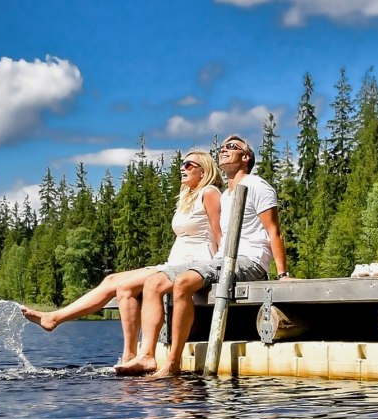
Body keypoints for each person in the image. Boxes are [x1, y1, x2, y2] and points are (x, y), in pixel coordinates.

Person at [21, 150, 223, 367]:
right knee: (113, 281)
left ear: (204, 171)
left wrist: (219, 268)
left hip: (196, 263)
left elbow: (220, 233)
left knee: (126, 286)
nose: (183, 168)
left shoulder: (210, 192)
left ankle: (140, 355)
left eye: (190, 165)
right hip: (174, 263)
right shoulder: (186, 197)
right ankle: (127, 354)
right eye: (182, 164)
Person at [119, 134, 292, 377]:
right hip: (221, 260)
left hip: (248, 261)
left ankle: (173, 362)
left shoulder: (256, 185)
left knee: (183, 282)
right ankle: (146, 356)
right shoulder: (227, 194)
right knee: (153, 282)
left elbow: (274, 231)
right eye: (222, 147)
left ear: (246, 158)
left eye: (232, 147)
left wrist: (283, 274)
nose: (224, 150)